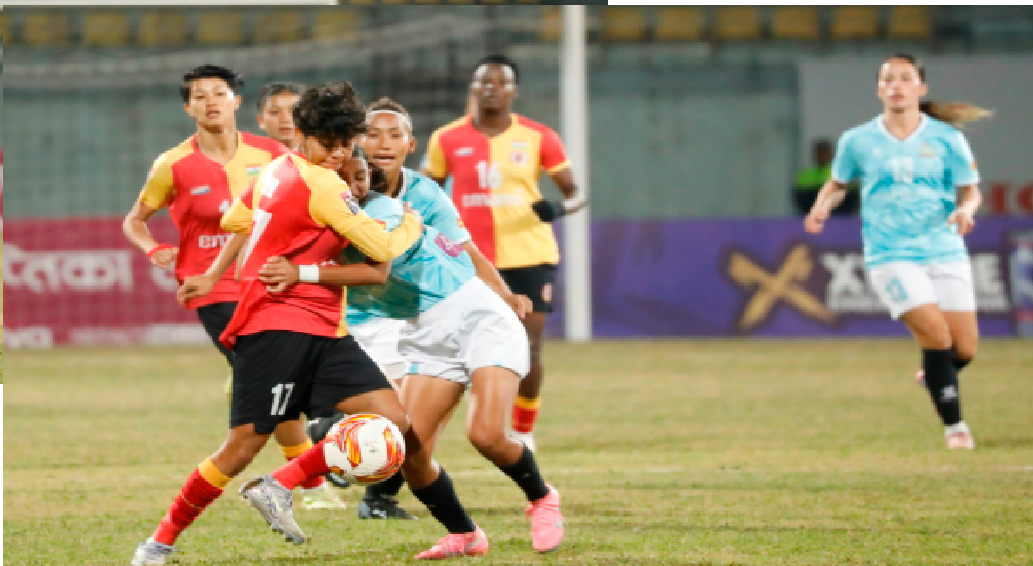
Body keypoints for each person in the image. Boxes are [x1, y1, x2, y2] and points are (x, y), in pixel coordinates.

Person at [129, 81, 459, 565]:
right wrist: (409, 220)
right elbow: (383, 248)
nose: (338, 154)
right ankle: (158, 543)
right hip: (277, 326)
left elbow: (236, 219)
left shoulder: (276, 168)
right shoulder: (323, 184)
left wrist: (279, 233)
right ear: (302, 134)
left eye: (345, 144)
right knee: (241, 446)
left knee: (393, 418)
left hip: (324, 328)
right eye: (328, 144)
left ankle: (281, 484)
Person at [259, 143, 566, 558]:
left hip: (478, 319)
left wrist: (300, 271)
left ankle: (542, 498)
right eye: (343, 179)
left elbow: (377, 267)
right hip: (425, 333)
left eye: (360, 176)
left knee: (487, 435)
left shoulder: (382, 211)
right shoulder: (322, 230)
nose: (353, 186)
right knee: (409, 453)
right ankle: (465, 535)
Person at [121, 65, 345, 518]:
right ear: (188, 108)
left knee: (280, 379)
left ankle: (309, 463)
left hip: (266, 279)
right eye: (200, 96)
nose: (211, 102)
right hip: (212, 288)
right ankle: (313, 482)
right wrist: (154, 249)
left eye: (219, 93)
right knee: (279, 379)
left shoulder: (271, 153)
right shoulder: (173, 164)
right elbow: (134, 220)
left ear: (236, 102)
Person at [314, 98, 532, 520]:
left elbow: (463, 249)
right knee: (391, 416)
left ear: (410, 144)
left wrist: (504, 294)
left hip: (408, 317)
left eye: (394, 135)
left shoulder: (423, 193)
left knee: (410, 426)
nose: (383, 143)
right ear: (355, 142)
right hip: (356, 315)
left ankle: (376, 493)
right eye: (372, 134)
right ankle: (329, 436)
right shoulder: (330, 189)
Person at [804, 53, 991, 450]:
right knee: (936, 335)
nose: (896, 86)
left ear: (920, 88)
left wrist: (966, 210)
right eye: (888, 79)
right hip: (890, 254)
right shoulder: (857, 140)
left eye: (905, 78)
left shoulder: (946, 138)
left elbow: (970, 190)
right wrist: (822, 206)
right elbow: (837, 183)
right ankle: (956, 428)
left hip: (944, 248)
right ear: (879, 89)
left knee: (965, 348)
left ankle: (934, 374)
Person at [425, 54, 586, 452]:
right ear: (473, 89)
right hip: (470, 260)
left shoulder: (539, 137)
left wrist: (559, 209)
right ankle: (448, 422)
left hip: (530, 254)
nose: (492, 88)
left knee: (529, 344)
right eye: (484, 81)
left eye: (501, 82)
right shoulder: (446, 139)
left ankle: (523, 430)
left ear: (514, 91)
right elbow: (425, 193)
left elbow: (577, 193)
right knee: (458, 345)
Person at [793, 138, 859, 216]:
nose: (821, 155)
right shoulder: (805, 174)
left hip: (839, 217)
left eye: (824, 151)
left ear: (830, 153)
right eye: (819, 152)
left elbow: (851, 197)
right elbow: (800, 199)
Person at [256, 82, 305, 150]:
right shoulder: (250, 155)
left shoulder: (317, 155)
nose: (285, 119)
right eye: (275, 112)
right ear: (261, 121)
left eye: (294, 112)